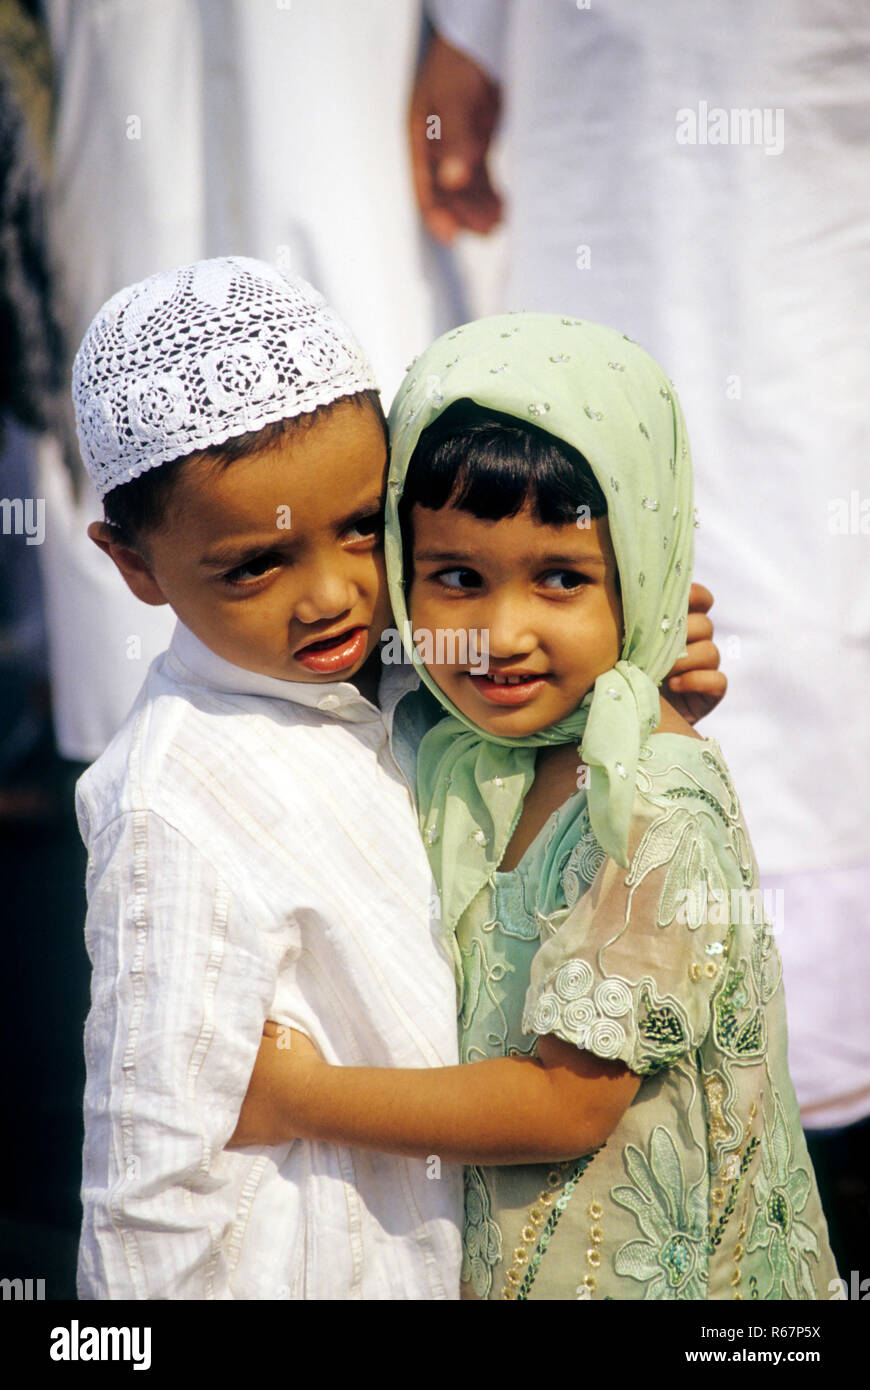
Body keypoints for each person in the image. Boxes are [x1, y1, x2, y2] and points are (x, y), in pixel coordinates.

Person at [231, 313, 838, 1301]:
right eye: (457, 578)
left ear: (643, 569)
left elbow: (565, 1104)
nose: (500, 634)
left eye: (562, 578)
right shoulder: (451, 744)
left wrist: (306, 1098)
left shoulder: (646, 804)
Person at [72, 256, 464, 1300]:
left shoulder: (418, 668)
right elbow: (149, 1185)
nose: (332, 595)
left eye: (359, 528)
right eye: (256, 565)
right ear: (135, 566)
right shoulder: (171, 799)